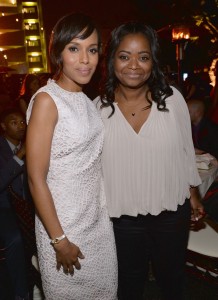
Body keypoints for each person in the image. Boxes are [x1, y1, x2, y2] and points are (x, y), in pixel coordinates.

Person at [95, 21, 204, 300]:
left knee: (172, 281)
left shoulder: (172, 99)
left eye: (143, 57)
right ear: (111, 60)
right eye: (124, 56)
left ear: (153, 62)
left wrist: (194, 195)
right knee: (128, 285)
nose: (134, 65)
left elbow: (185, 151)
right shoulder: (96, 109)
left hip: (170, 211)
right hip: (121, 218)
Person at [25, 12, 117, 300]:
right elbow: (35, 178)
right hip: (64, 227)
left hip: (97, 223)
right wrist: (59, 241)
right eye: (74, 49)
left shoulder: (87, 101)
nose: (85, 59)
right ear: (58, 53)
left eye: (92, 50)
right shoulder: (46, 101)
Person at [0, 107, 29, 299]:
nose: (20, 126)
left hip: (28, 206)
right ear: (3, 126)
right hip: (4, 208)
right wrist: (20, 156)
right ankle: (21, 294)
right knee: (16, 240)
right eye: (14, 122)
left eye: (22, 121)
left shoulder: (30, 144)